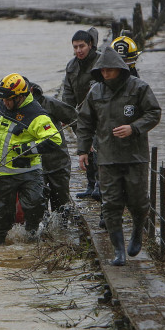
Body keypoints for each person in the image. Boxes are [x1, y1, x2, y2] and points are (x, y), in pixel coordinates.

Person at [76, 47, 161, 266]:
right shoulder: (95, 93)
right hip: (108, 157)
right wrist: (83, 150)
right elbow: (85, 123)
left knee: (139, 201)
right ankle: (119, 251)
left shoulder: (139, 88)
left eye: (109, 70)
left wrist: (134, 128)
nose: (105, 74)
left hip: (135, 156)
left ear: (120, 69)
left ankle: (136, 232)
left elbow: (154, 113)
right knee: (111, 204)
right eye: (102, 70)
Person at [0, 73, 63, 246]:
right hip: (1, 170)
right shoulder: (2, 103)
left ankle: (31, 239)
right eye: (3, 99)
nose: (5, 103)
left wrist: (26, 149)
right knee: (1, 214)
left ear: (20, 97)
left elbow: (54, 139)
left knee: (35, 204)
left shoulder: (36, 114)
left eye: (8, 99)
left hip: (28, 170)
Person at [61, 28, 102, 201]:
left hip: (100, 115)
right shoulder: (71, 66)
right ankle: (91, 184)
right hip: (81, 117)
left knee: (99, 148)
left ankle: (101, 185)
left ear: (90, 45)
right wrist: (65, 113)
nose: (78, 50)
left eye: (82, 46)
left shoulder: (100, 62)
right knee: (86, 150)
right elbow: (68, 93)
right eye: (75, 47)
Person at [29, 82, 78, 211]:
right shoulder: (16, 110)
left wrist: (85, 144)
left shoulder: (50, 103)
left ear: (31, 90)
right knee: (38, 206)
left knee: (61, 205)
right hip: (35, 166)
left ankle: (62, 229)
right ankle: (43, 229)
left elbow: (75, 119)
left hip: (58, 163)